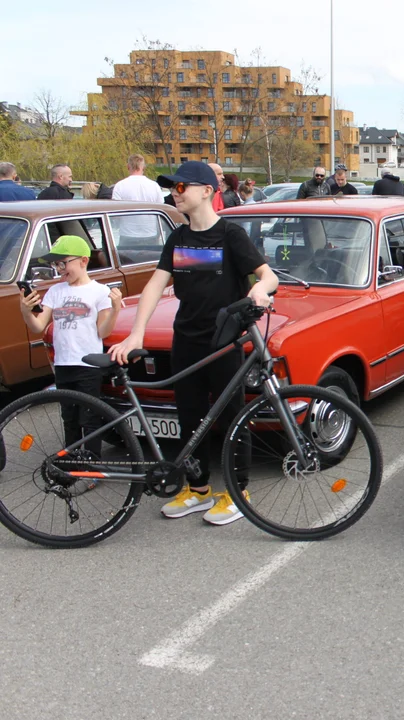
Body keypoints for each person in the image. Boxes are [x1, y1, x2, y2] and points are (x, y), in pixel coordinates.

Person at [108, 161, 278, 526]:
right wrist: (135, 334)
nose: (175, 193)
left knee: (232, 417)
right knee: (190, 417)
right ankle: (198, 489)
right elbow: (155, 285)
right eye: (172, 188)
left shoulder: (230, 235)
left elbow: (269, 275)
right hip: (185, 339)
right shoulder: (179, 237)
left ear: (206, 191)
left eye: (181, 187)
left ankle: (237, 491)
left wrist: (259, 290)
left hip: (223, 341)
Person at [19, 235, 123, 492]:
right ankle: (71, 464)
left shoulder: (98, 291)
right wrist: (24, 310)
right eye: (57, 265)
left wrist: (116, 308)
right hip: (63, 363)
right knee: (69, 416)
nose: (60, 270)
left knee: (90, 415)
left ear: (84, 260)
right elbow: (38, 326)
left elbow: (103, 332)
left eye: (64, 263)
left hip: (88, 362)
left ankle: (93, 468)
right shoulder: (55, 291)